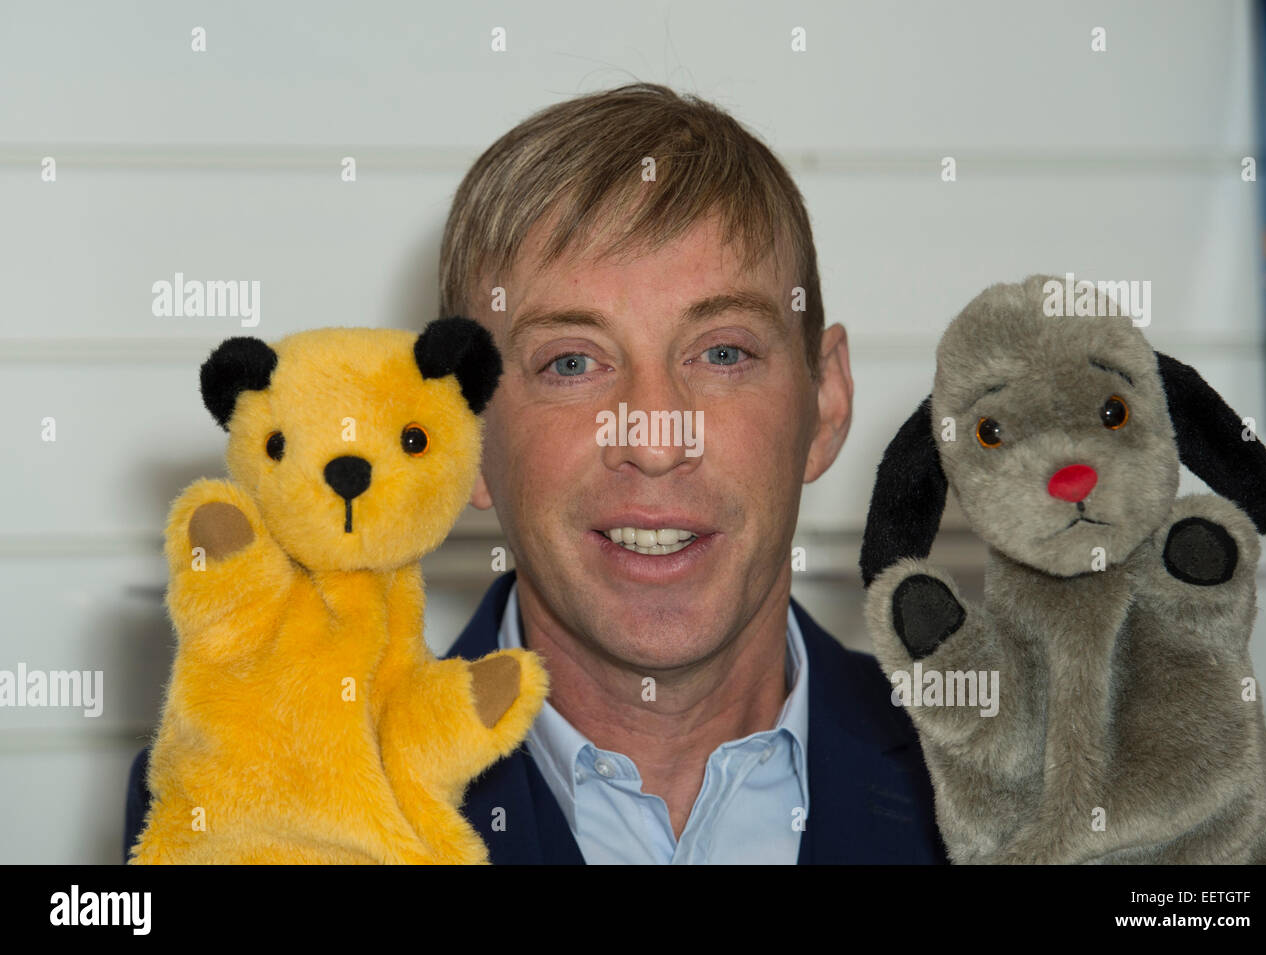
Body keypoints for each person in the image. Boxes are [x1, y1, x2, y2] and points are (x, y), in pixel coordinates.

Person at [125, 82, 946, 865]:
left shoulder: (1012, 774)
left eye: (723, 352)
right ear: (466, 434)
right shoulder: (244, 794)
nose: (654, 440)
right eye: (572, 362)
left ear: (825, 401)